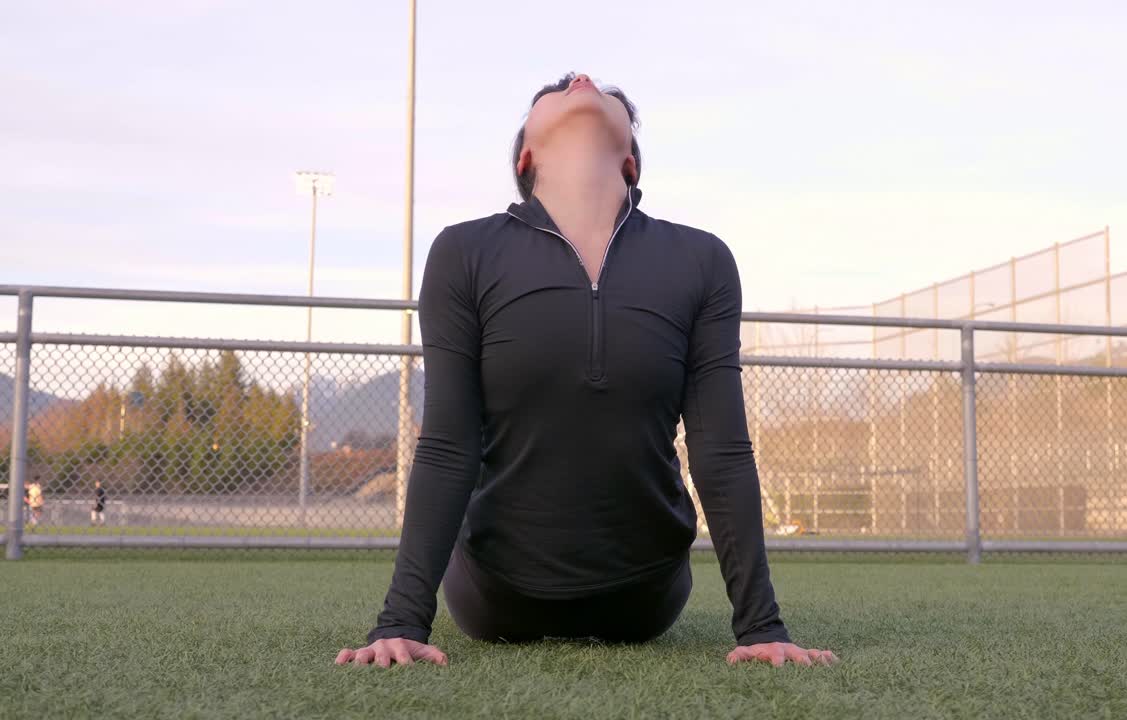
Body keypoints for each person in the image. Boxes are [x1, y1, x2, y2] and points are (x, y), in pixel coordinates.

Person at [336, 73, 837, 670]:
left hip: (645, 599)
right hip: (496, 596)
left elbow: (721, 450)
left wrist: (761, 627)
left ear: (630, 161)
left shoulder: (701, 260)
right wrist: (400, 623)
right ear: (527, 156)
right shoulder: (464, 253)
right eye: (555, 91)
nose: (582, 80)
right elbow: (448, 444)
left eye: (605, 93)